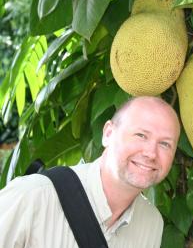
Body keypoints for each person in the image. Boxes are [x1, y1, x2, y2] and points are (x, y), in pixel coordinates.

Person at [0, 96, 181, 248]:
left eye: (165, 144)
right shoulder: (33, 196)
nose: (151, 153)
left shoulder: (151, 223)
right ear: (108, 133)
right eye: (141, 135)